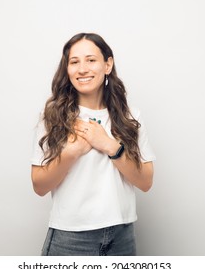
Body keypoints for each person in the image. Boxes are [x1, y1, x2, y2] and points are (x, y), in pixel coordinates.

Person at [30, 33, 156, 256]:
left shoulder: (130, 117)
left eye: (91, 60)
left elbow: (145, 181)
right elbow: (39, 186)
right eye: (74, 62)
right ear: (67, 69)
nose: (82, 69)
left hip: (122, 235)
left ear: (107, 65)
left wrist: (110, 146)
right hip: (71, 236)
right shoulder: (52, 116)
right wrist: (73, 151)